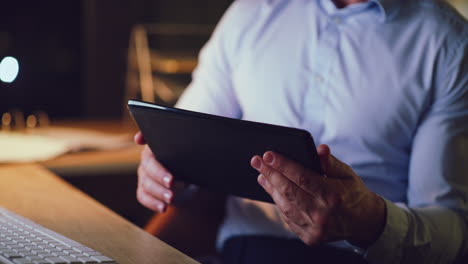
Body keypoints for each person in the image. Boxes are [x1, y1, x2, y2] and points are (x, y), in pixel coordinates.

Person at [134, 0, 468, 263]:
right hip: (243, 251)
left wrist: (371, 222)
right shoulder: (249, 13)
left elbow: (454, 230)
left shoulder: (449, 44)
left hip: (361, 257)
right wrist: (164, 170)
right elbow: (187, 144)